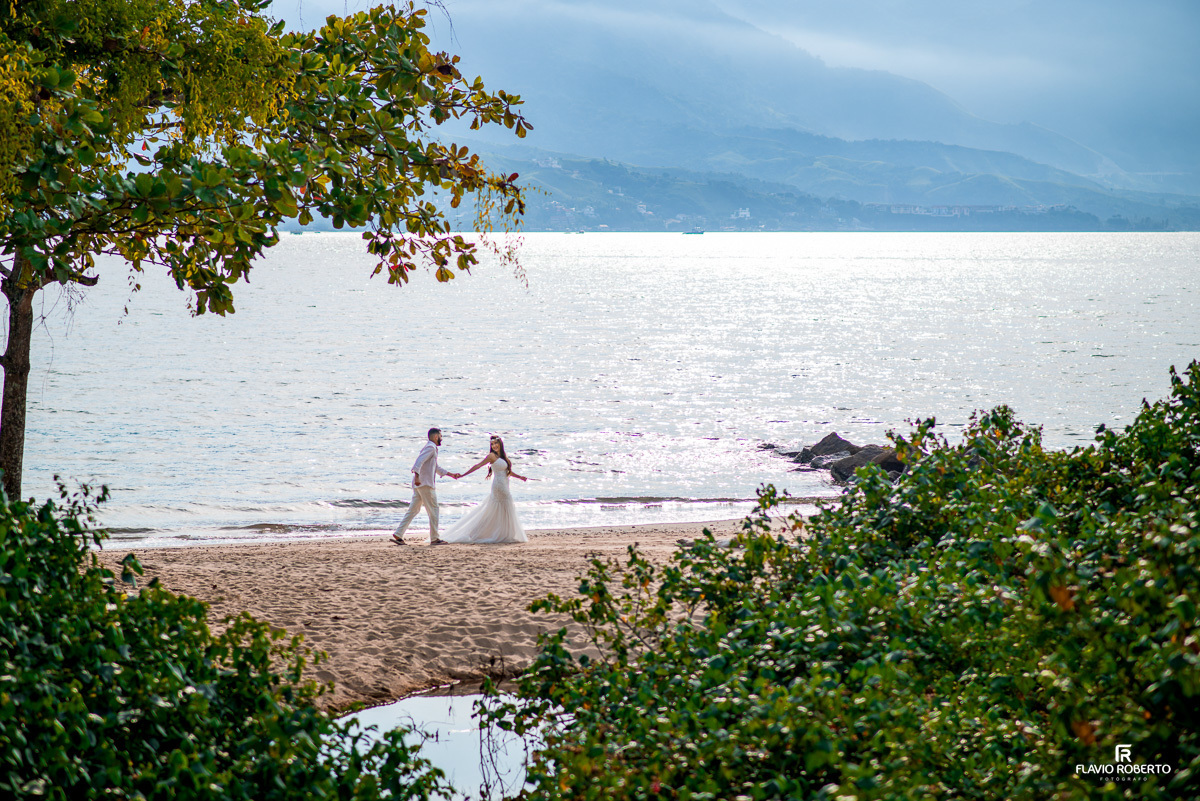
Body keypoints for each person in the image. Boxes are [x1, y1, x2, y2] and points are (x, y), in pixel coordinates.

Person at [440, 436, 529, 544]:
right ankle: (492, 533)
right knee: (502, 507)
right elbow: (478, 465)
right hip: (499, 486)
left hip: (504, 484)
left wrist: (520, 477)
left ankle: (504, 533)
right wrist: (463, 475)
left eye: (496, 443)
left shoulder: (503, 456)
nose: (494, 446)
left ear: (500, 444)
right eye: (492, 444)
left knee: (499, 509)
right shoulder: (492, 456)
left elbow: (507, 472)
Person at [392, 427, 461, 546]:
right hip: (425, 484)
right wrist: (417, 477)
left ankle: (399, 534)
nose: (441, 438)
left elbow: (436, 468)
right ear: (435, 437)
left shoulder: (431, 448)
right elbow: (418, 462)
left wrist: (451, 475)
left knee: (413, 510)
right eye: (441, 436)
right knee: (434, 510)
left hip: (420, 485)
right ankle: (434, 538)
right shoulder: (431, 447)